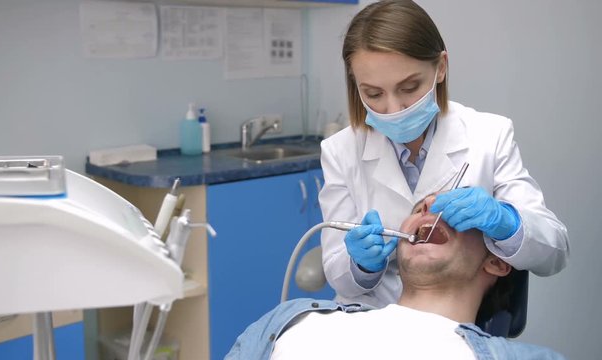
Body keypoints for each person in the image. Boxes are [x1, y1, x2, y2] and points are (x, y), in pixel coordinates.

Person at [319, 0, 569, 308]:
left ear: (441, 68)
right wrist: (361, 265)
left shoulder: (489, 135)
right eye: (373, 93)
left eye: (409, 87)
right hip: (370, 317)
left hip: (453, 321)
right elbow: (337, 272)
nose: (394, 109)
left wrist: (507, 223)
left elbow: (554, 252)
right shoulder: (339, 151)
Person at [225, 195, 565, 359]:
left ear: (496, 262)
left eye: (455, 210)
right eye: (420, 209)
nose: (431, 212)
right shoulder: (295, 318)